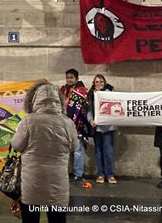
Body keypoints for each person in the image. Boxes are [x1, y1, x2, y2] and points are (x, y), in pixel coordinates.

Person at [11, 80, 77, 223]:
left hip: (32, 182)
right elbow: (74, 147)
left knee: (30, 218)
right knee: (57, 219)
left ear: (33, 100)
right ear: (59, 100)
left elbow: (16, 145)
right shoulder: (68, 123)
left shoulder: (28, 121)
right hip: (58, 182)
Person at [87, 74, 117, 184]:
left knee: (108, 151)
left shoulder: (110, 94)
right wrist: (91, 120)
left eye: (101, 81)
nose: (99, 83)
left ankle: (110, 174)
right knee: (98, 151)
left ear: (104, 83)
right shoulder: (91, 95)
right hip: (97, 127)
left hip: (108, 127)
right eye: (96, 82)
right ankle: (100, 174)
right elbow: (89, 110)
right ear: (94, 84)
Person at [59, 68, 89, 182]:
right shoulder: (62, 90)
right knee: (63, 151)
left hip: (77, 125)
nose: (69, 79)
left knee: (77, 150)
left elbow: (84, 107)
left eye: (71, 77)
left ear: (77, 78)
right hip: (63, 124)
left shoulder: (81, 91)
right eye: (67, 77)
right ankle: (62, 173)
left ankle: (78, 173)